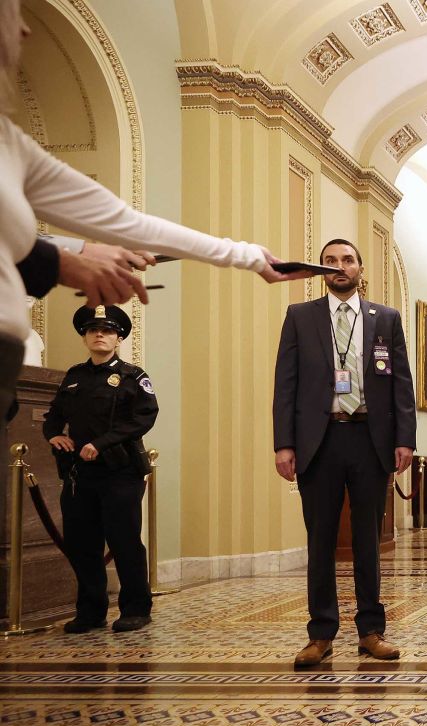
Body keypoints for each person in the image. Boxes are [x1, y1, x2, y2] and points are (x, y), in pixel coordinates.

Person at [0, 0, 303, 425]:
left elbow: (125, 223)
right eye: (11, 11)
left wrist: (249, 256)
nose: (26, 31)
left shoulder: (8, 140)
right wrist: (63, 262)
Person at [272, 238, 416, 668]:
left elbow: (401, 385)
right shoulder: (300, 317)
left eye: (347, 260)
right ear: (321, 270)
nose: (339, 266)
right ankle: (320, 634)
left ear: (360, 268)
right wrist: (284, 443)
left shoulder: (385, 319)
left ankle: (371, 630)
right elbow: (286, 384)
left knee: (368, 540)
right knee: (320, 540)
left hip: (370, 439)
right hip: (320, 440)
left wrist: (404, 438)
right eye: (330, 261)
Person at [42, 305, 157, 633]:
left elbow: (144, 416)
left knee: (124, 542)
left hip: (120, 472)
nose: (99, 335)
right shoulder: (74, 376)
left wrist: (102, 442)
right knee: (82, 544)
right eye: (93, 330)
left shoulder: (134, 376)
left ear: (118, 337)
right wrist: (53, 436)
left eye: (106, 330)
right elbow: (54, 416)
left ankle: (136, 608)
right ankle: (90, 611)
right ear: (85, 336)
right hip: (80, 475)